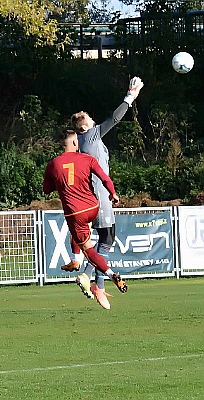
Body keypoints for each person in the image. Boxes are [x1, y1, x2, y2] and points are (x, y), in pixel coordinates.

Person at [65, 76, 143, 310]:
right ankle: (91, 277)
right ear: (86, 125)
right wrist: (130, 96)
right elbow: (115, 118)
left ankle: (98, 282)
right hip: (99, 195)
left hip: (87, 197)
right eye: (90, 119)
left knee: (102, 239)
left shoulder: (79, 140)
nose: (93, 120)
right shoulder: (91, 135)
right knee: (107, 239)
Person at [43, 130, 128, 300]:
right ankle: (75, 261)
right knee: (79, 235)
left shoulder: (53, 164)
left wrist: (61, 183)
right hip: (93, 207)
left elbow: (46, 190)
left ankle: (111, 274)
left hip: (75, 212)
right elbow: (104, 178)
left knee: (88, 250)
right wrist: (113, 193)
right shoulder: (88, 159)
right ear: (75, 143)